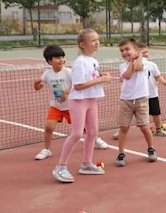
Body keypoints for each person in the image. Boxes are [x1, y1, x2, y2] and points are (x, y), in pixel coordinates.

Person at [52, 29, 110, 183]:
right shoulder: (79, 62)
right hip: (78, 100)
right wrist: (101, 80)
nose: (97, 42)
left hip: (91, 99)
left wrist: (102, 78)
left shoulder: (94, 61)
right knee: (77, 134)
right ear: (82, 44)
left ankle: (87, 164)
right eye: (93, 40)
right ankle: (61, 167)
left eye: (97, 39)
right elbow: (78, 86)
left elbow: (92, 79)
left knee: (92, 132)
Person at [115, 38, 158, 166]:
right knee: (123, 128)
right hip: (126, 101)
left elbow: (138, 67)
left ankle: (151, 148)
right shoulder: (122, 65)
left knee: (145, 127)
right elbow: (127, 75)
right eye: (122, 50)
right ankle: (121, 153)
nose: (124, 52)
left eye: (127, 49)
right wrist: (133, 60)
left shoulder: (144, 62)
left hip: (142, 100)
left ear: (136, 50)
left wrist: (138, 57)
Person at [33, 45, 72, 160]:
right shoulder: (47, 74)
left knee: (83, 128)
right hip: (56, 106)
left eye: (62, 57)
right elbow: (38, 87)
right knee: (49, 127)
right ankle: (47, 149)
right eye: (57, 57)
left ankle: (94, 138)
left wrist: (66, 92)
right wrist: (36, 83)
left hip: (71, 106)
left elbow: (77, 86)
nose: (61, 60)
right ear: (50, 61)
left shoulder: (68, 72)